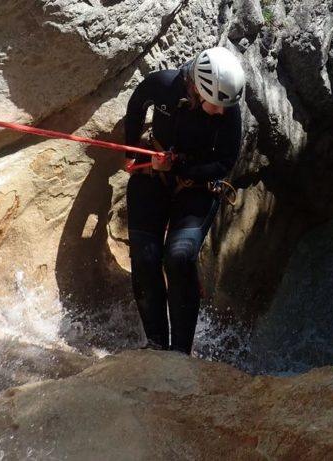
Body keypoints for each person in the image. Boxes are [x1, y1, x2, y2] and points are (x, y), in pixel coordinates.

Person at [122, 47, 245, 354]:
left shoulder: (228, 110)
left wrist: (177, 166)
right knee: (145, 259)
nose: (221, 112)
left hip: (198, 184)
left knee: (177, 258)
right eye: (215, 105)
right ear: (197, 90)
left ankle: (179, 354)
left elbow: (224, 162)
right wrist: (133, 152)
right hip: (154, 178)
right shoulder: (164, 85)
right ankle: (156, 345)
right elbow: (137, 103)